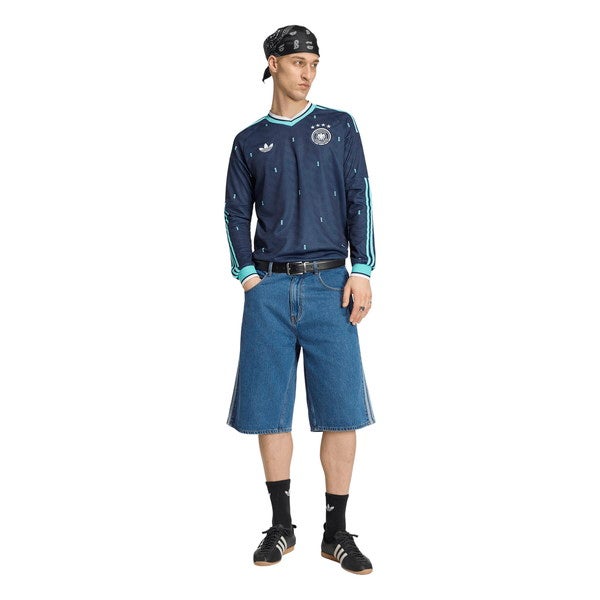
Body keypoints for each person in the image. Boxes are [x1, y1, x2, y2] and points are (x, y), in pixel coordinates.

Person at [224, 25, 376, 575]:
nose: (308, 72)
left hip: (330, 285)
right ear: (273, 63)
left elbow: (359, 197)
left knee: (341, 409)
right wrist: (247, 276)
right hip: (268, 288)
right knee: (269, 411)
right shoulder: (248, 140)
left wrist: (362, 270)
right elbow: (235, 211)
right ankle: (281, 526)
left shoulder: (339, 126)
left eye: (314, 62)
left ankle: (336, 533)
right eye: (297, 62)